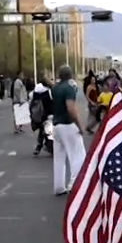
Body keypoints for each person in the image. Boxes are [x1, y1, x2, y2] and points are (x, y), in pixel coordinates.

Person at [52, 65, 86, 196]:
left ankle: (59, 187)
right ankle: (74, 184)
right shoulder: (69, 88)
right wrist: (79, 125)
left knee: (59, 158)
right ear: (70, 75)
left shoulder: (55, 88)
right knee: (77, 155)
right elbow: (71, 108)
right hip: (68, 124)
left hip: (56, 125)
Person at [30, 78, 54, 155]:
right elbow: (52, 102)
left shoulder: (35, 92)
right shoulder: (48, 91)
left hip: (38, 114)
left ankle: (39, 146)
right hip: (48, 113)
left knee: (42, 129)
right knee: (48, 130)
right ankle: (45, 145)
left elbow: (31, 102)